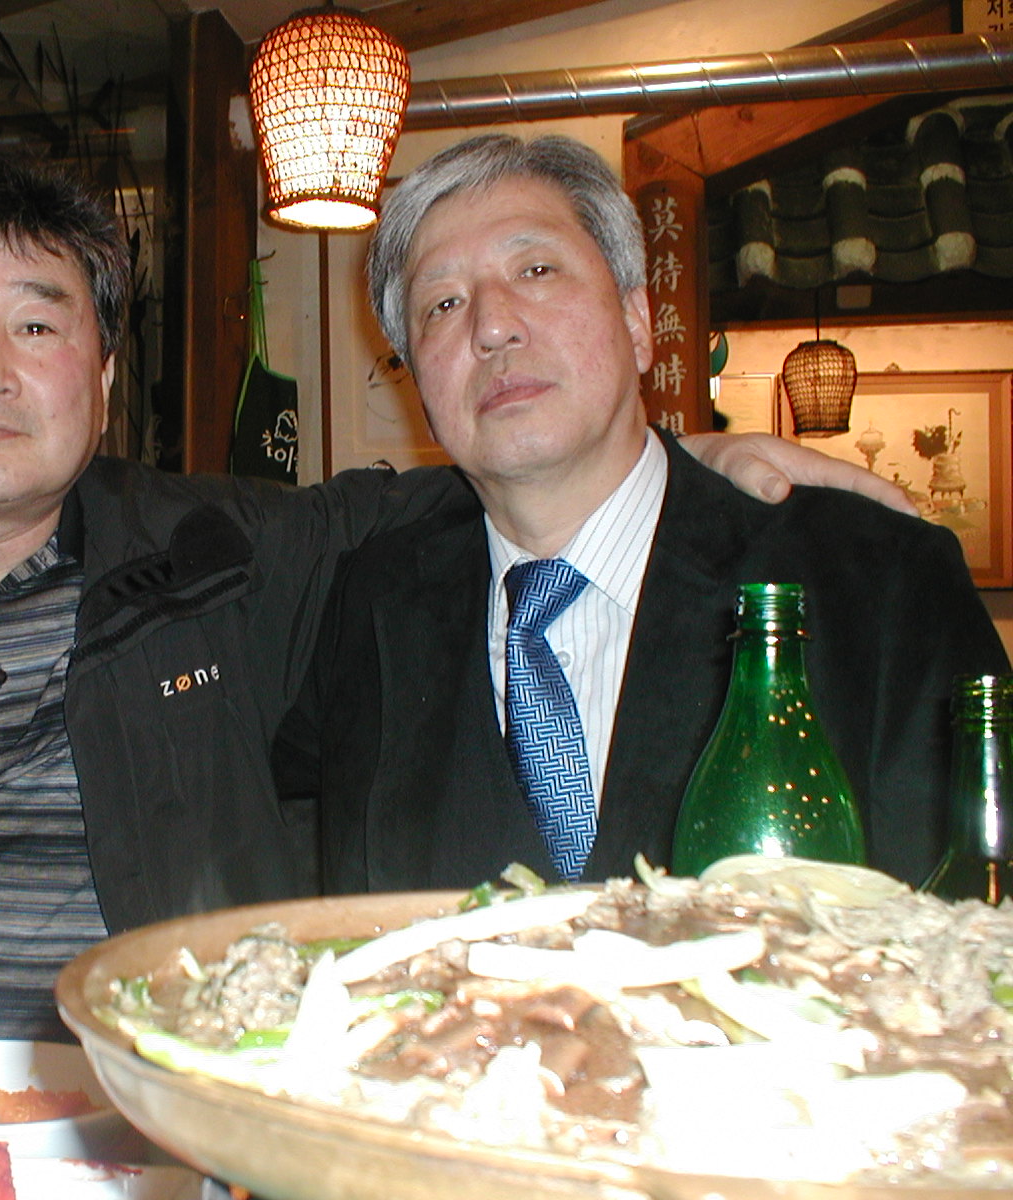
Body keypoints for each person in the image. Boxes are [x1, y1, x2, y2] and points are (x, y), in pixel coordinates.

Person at [0, 148, 917, 1048]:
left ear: (103, 383)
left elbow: (490, 484)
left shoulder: (217, 565)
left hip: (123, 1136)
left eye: (39, 327)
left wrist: (687, 455)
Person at [273, 132, 1009, 895]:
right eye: (443, 304)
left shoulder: (878, 585)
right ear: (420, 386)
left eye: (535, 269)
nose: (491, 327)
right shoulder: (369, 607)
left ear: (636, 321)